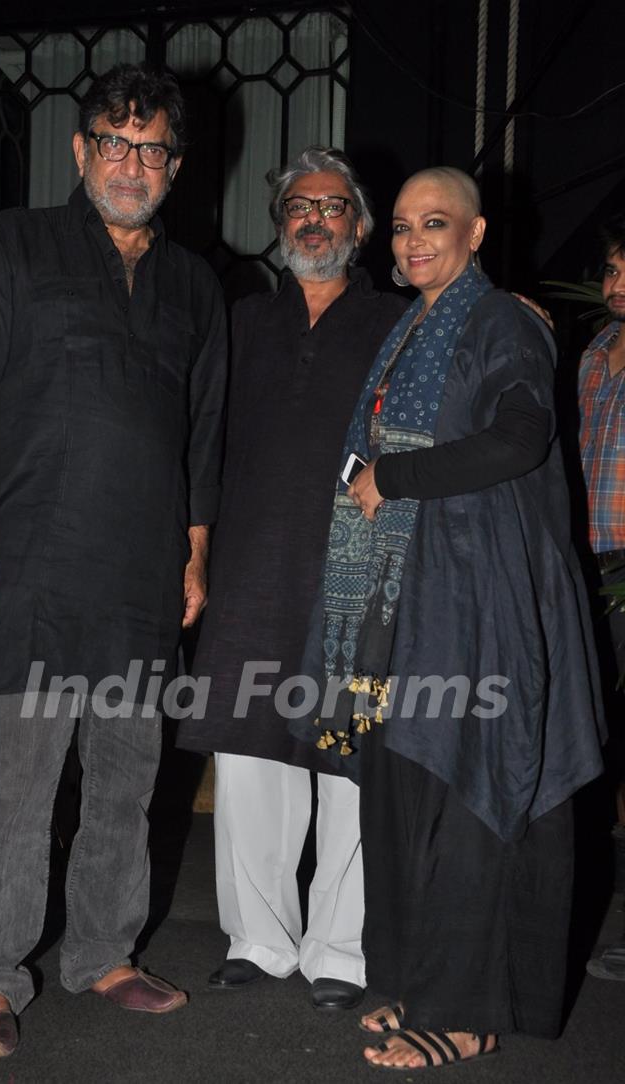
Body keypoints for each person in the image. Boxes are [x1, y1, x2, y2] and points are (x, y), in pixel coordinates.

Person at [0, 63, 227, 1057]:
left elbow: (203, 434)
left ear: (175, 165)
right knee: (19, 779)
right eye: (116, 142)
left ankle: (103, 952)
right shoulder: (15, 246)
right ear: (82, 150)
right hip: (35, 565)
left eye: (153, 147)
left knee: (128, 783)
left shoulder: (194, 286)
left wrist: (194, 559)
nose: (134, 162)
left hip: (139, 576)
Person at [298, 167, 605, 1068]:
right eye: (399, 226)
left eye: (436, 223)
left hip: (480, 596)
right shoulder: (415, 324)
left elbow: (520, 436)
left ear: (475, 235)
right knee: (406, 787)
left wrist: (394, 477)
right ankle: (417, 981)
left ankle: (467, 1012)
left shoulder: (501, 320)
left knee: (475, 791)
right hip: (407, 592)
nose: (413, 240)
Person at [176, 148, 406, 1009]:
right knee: (246, 754)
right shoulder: (241, 324)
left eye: (334, 207)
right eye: (300, 207)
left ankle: (340, 949)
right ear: (280, 228)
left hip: (357, 570)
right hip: (250, 566)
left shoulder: (396, 322)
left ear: (360, 228)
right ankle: (260, 939)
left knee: (344, 759)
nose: (316, 220)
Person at [578, 213, 625, 982]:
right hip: (591, 564)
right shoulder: (594, 353)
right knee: (602, 745)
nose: (616, 286)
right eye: (613, 269)